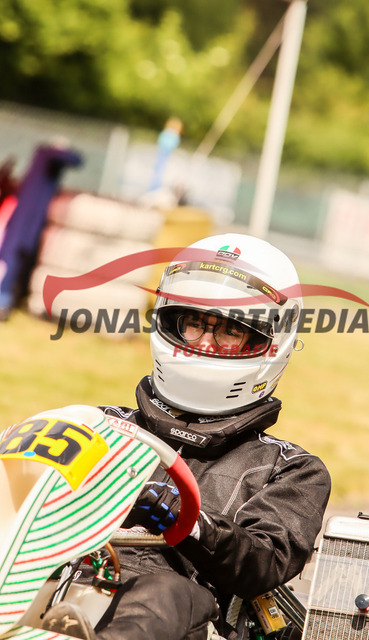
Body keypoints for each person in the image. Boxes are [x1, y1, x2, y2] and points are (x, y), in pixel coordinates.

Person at [42, 233, 331, 640]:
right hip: (63, 587)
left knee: (168, 594)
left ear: (269, 343)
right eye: (194, 323)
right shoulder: (99, 424)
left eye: (229, 331)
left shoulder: (290, 469)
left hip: (188, 616)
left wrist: (188, 519)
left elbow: (262, 563)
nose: (204, 344)